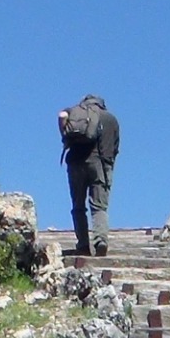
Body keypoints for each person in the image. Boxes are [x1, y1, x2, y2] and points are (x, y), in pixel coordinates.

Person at [58, 94, 120, 256]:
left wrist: (64, 136)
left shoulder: (74, 112)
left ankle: (83, 244)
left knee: (78, 207)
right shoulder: (110, 119)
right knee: (99, 206)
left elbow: (61, 116)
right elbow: (114, 149)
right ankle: (100, 241)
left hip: (75, 163)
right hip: (99, 165)